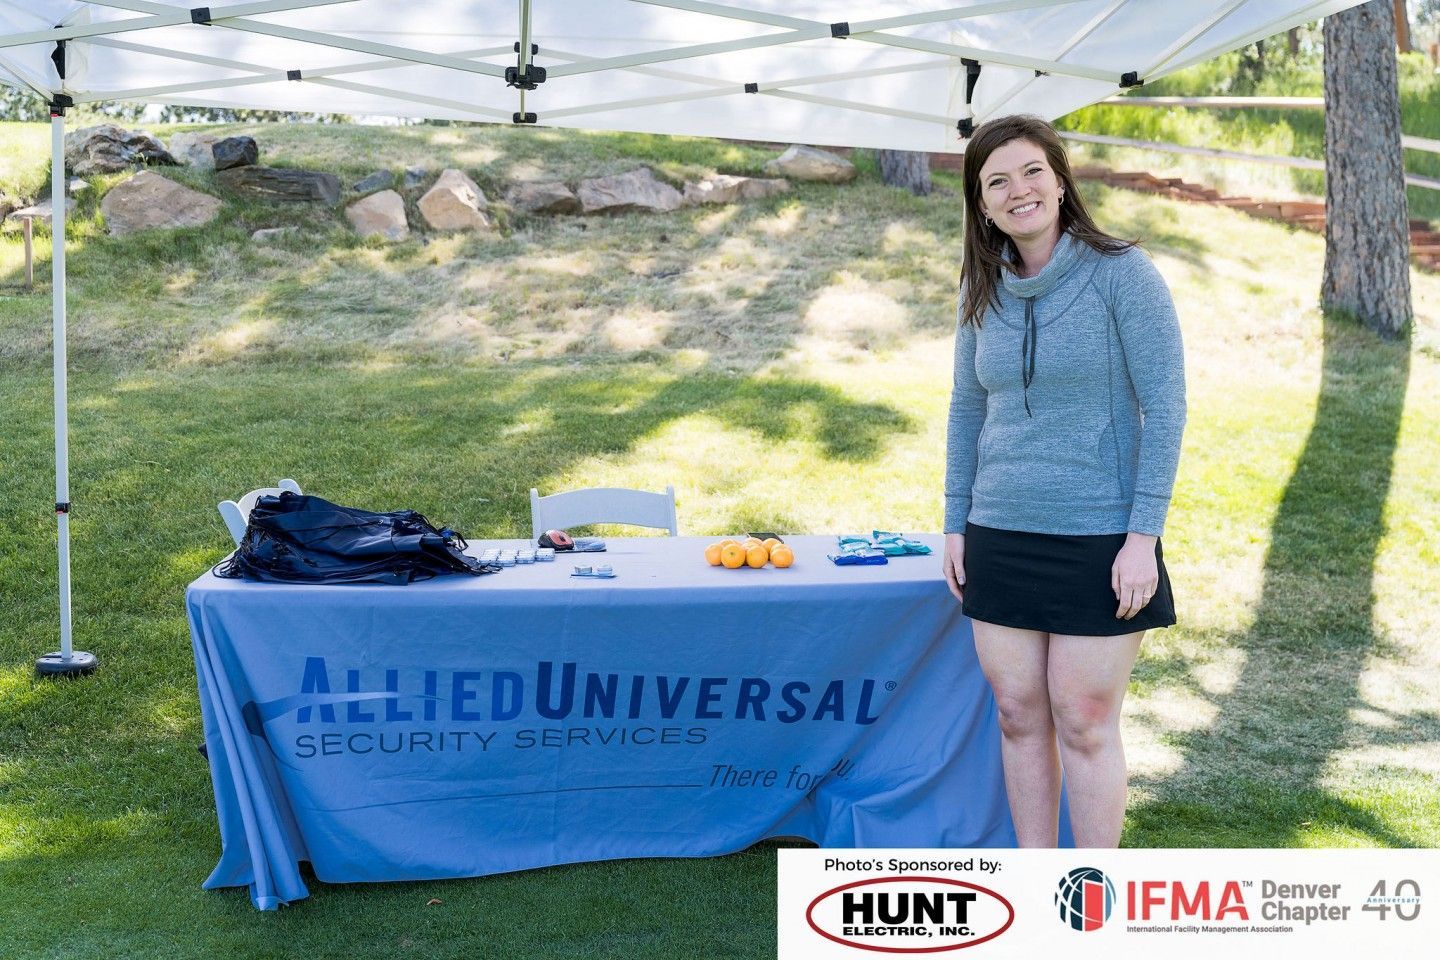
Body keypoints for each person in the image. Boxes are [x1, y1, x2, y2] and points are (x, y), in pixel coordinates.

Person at [941, 114, 1186, 848]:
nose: (1018, 191)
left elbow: (1166, 406)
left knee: (1082, 719)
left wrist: (1143, 537)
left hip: (1099, 537)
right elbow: (966, 408)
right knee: (1018, 712)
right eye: (997, 182)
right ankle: (1037, 891)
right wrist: (956, 521)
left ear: (1060, 177)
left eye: (1031, 172)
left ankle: (1091, 895)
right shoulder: (980, 289)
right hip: (998, 531)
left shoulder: (1121, 275)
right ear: (981, 205)